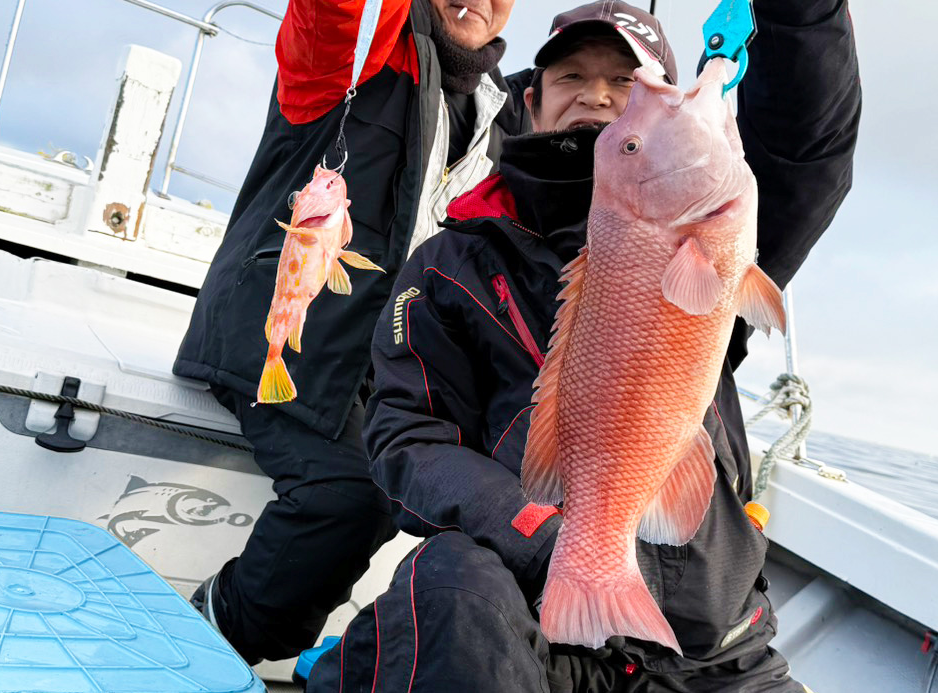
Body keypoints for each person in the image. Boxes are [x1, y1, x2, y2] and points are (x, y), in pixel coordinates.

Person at [305, 0, 861, 690]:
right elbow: (406, 434)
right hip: (537, 624)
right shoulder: (451, 262)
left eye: (628, 82)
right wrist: (540, 532)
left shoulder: (722, 229)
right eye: (571, 76)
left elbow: (809, 144)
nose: (597, 94)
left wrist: (800, 15)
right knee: (446, 585)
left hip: (712, 652)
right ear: (530, 101)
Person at [173, 0, 529, 665]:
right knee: (354, 492)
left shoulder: (509, 116)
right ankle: (206, 642)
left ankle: (369, 667)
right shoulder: (358, 50)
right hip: (285, 348)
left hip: (394, 374)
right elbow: (332, 12)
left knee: (501, 516)